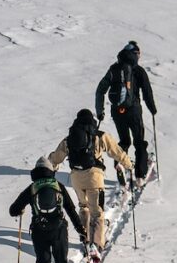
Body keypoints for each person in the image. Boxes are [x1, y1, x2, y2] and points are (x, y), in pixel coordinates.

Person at [40, 107, 134, 255]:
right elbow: (117, 152)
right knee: (97, 212)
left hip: (76, 179)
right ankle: (97, 245)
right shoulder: (99, 136)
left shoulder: (69, 139)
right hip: (94, 179)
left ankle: (85, 240)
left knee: (83, 207)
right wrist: (129, 165)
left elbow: (56, 158)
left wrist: (50, 168)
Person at [8, 161, 90, 263]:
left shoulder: (32, 188)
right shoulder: (57, 185)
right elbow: (71, 209)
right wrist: (81, 230)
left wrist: (22, 208)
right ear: (50, 170)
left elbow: (13, 210)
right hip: (59, 230)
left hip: (39, 232)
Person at [95, 41, 157, 184]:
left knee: (124, 141)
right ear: (135, 54)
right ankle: (140, 176)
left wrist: (100, 111)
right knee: (139, 142)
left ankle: (120, 164)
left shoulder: (113, 69)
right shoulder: (138, 70)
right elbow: (147, 92)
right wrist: (152, 109)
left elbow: (100, 90)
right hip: (133, 111)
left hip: (117, 112)